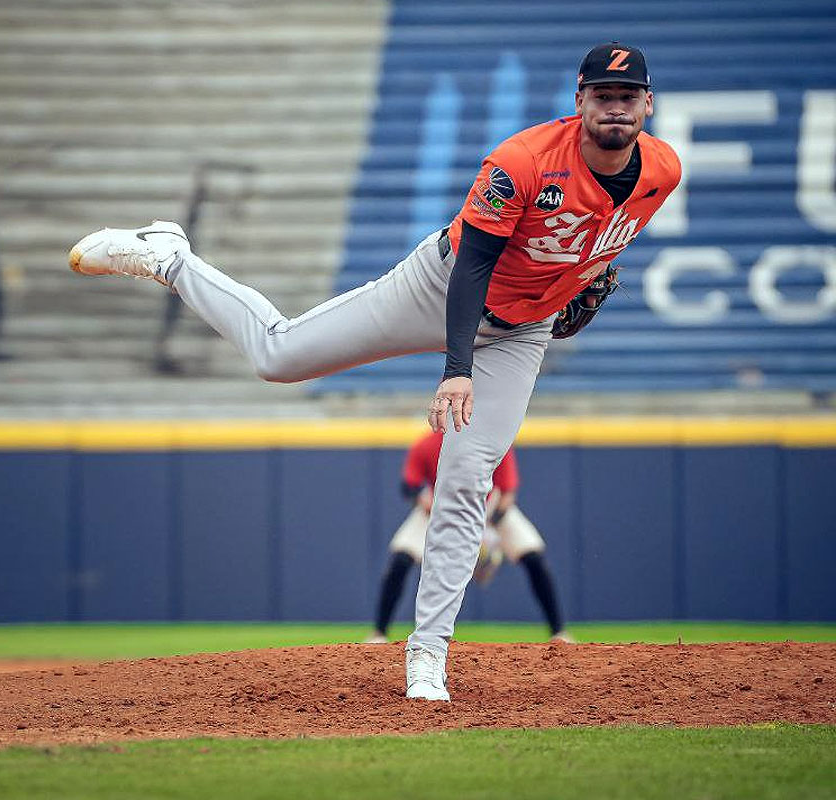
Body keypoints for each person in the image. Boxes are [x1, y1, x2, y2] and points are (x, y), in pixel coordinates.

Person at [67, 42, 680, 701]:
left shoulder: (663, 172)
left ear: (647, 103)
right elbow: (473, 264)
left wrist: (584, 279)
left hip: (521, 331)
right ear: (579, 100)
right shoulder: (521, 162)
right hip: (438, 288)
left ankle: (428, 658)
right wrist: (456, 368)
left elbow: (596, 238)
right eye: (603, 96)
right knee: (279, 358)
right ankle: (170, 257)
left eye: (628, 96)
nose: (616, 108)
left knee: (467, 477)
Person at [365, 431, 571, 645]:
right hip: (439, 510)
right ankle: (379, 633)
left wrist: (486, 533)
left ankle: (559, 631)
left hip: (490, 511)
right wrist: (425, 503)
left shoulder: (494, 441)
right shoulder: (426, 445)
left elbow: (508, 493)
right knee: (401, 559)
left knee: (533, 557)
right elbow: (411, 486)